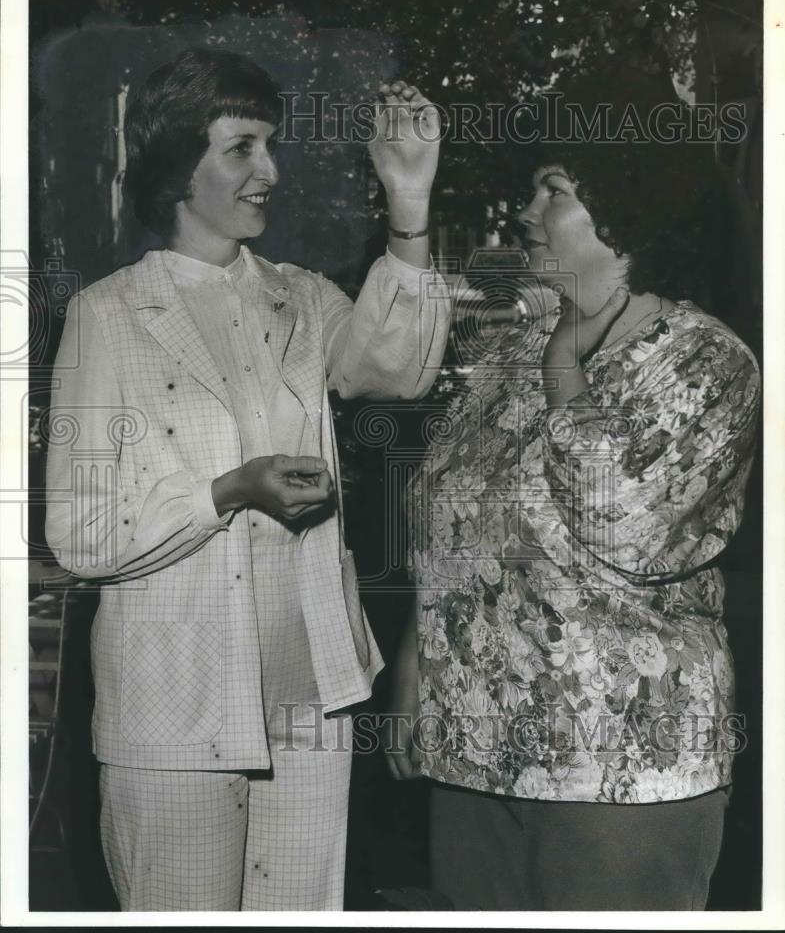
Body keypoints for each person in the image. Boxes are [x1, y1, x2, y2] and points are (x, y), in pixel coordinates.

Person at [45, 47, 449, 911]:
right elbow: (78, 533)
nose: (269, 171)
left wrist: (408, 202)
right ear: (175, 166)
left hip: (312, 698)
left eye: (269, 146)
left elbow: (400, 369)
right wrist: (226, 493)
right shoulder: (107, 314)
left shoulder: (301, 298)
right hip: (173, 709)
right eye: (241, 148)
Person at [386, 100, 761, 910]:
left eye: (550, 191)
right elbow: (451, 523)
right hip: (477, 752)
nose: (526, 213)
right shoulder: (507, 351)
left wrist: (565, 365)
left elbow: (620, 518)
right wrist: (417, 671)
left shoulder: (706, 361)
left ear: (624, 218)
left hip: (621, 766)